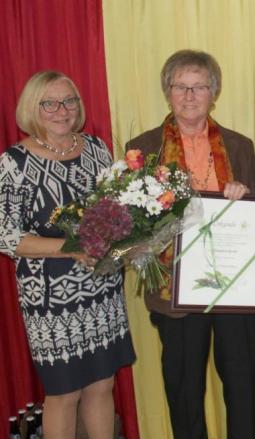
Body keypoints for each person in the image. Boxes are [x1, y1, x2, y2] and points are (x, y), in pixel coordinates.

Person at [126, 50, 255, 439]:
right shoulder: (142, 149)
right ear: (167, 92)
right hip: (173, 293)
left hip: (234, 289)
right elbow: (130, 224)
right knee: (183, 390)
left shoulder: (240, 145)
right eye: (180, 86)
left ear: (213, 93)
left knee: (241, 386)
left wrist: (245, 196)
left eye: (199, 86)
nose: (189, 95)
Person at [0, 71, 136, 439]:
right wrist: (71, 248)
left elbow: (116, 209)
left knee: (101, 385)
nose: (62, 110)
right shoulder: (15, 163)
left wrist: (123, 238)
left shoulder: (96, 149)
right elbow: (5, 235)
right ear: (33, 107)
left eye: (69, 101)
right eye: (50, 103)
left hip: (101, 288)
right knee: (64, 393)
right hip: (50, 299)